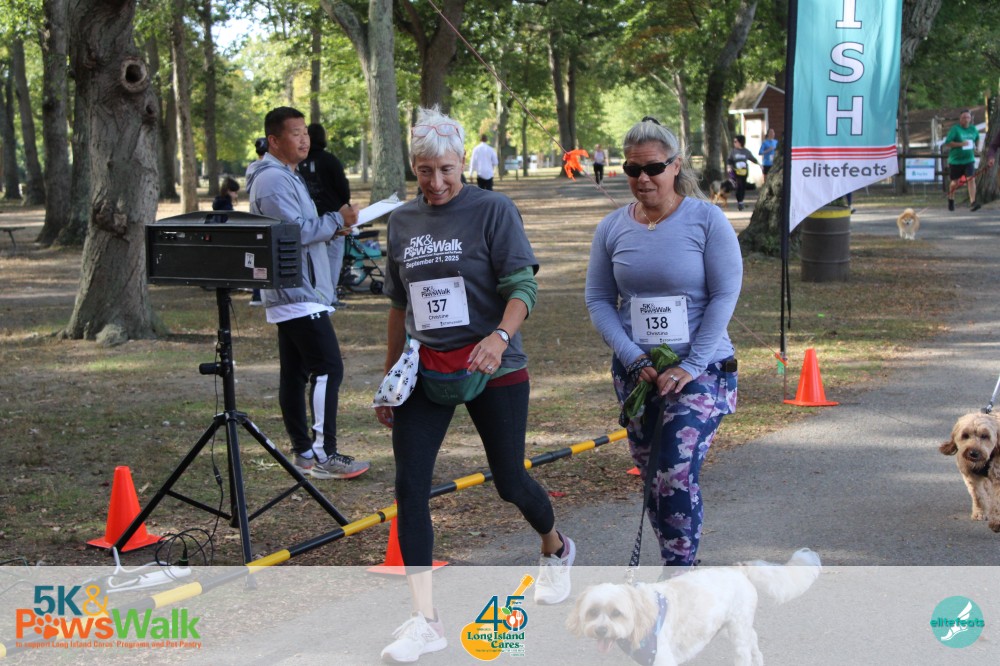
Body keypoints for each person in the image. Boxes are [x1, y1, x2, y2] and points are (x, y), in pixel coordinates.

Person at [375, 106, 574, 662]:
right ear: (413, 168)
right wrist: (390, 375)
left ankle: (555, 548)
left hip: (493, 366)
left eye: (446, 170)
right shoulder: (401, 221)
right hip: (425, 367)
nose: (436, 182)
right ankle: (426, 621)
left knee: (509, 480)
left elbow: (523, 289)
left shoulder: (493, 209)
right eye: (424, 171)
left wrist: (499, 338)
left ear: (462, 162)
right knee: (410, 489)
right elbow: (399, 305)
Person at [585, 116, 741, 569]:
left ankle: (680, 576)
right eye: (633, 170)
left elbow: (725, 295)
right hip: (638, 374)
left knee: (673, 470)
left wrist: (690, 366)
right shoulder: (612, 228)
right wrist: (633, 358)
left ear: (675, 166)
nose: (643, 179)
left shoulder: (707, 220)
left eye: (653, 168)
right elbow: (598, 300)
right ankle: (678, 565)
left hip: (702, 370)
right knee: (654, 477)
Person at [245, 106, 369, 480]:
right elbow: (293, 232)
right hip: (296, 292)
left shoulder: (287, 175)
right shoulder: (272, 180)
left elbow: (303, 228)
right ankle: (324, 454)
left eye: (305, 132)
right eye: (295, 133)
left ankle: (303, 453)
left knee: (296, 373)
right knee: (328, 367)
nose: (304, 139)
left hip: (301, 290)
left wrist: (334, 229)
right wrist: (336, 220)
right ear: (274, 140)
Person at [299, 123, 352, 306]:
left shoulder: (298, 164)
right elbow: (343, 189)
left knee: (311, 262)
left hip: (308, 221)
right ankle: (330, 297)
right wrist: (343, 209)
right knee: (333, 260)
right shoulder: (330, 161)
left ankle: (316, 295)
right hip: (333, 218)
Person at [945, 109, 981, 212]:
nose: (966, 119)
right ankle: (951, 198)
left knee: (971, 179)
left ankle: (973, 202)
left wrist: (977, 147)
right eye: (964, 117)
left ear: (970, 119)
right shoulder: (955, 129)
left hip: (969, 160)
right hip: (956, 160)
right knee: (955, 183)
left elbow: (977, 138)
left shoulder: (973, 129)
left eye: (968, 117)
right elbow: (948, 143)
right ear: (960, 119)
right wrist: (960, 144)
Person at [726, 134, 759, 211]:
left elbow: (752, 159)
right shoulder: (733, 151)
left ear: (740, 142)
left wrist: (760, 165)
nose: (734, 143)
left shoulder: (746, 151)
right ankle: (739, 201)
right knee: (739, 186)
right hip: (736, 172)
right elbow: (729, 160)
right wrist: (728, 167)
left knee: (743, 186)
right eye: (734, 142)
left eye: (735, 141)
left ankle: (741, 201)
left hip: (744, 172)